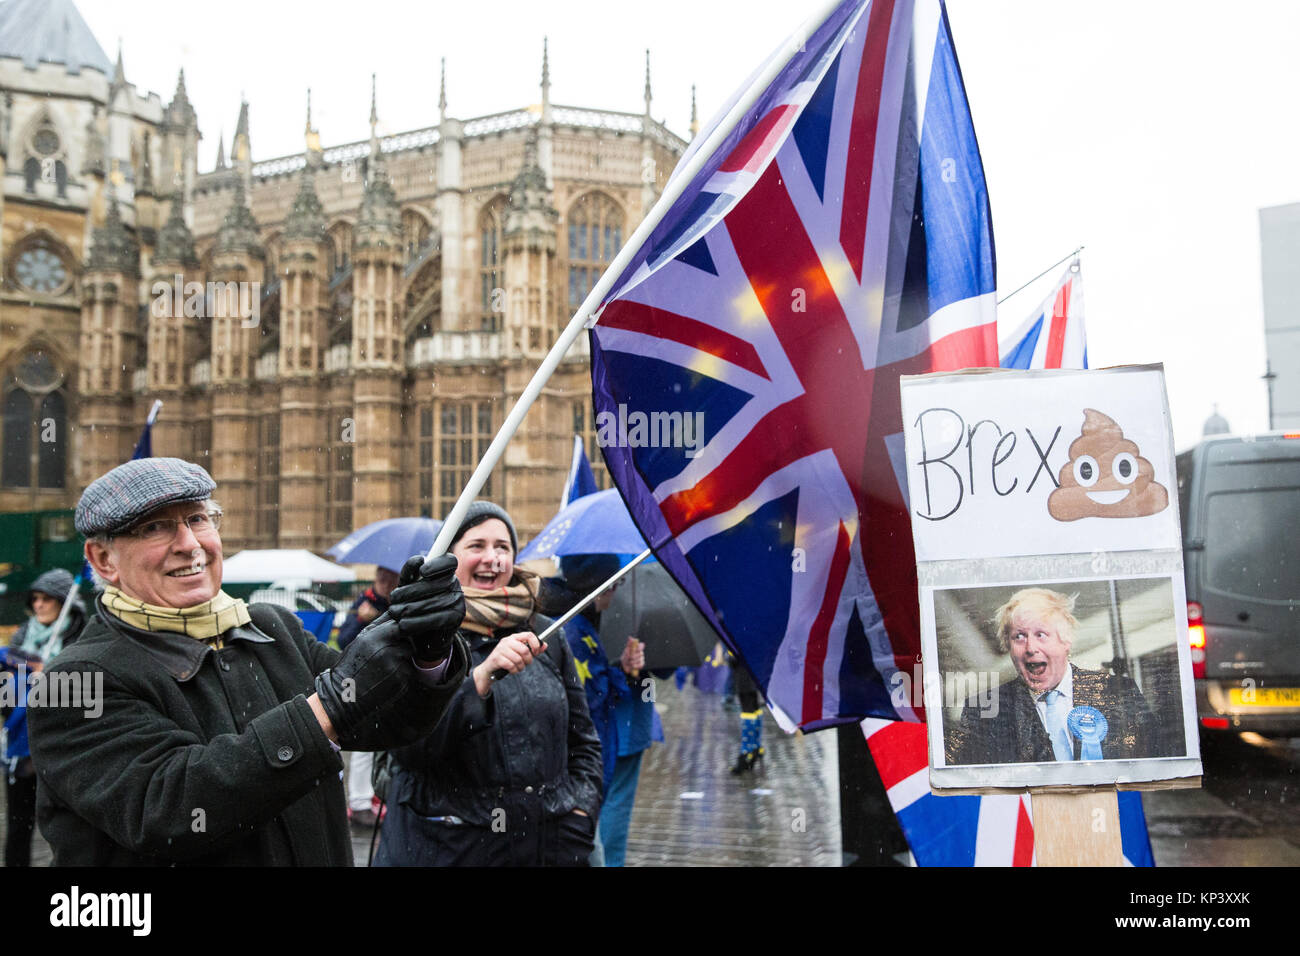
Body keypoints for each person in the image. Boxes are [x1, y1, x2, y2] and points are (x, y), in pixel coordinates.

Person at [27, 457, 468, 866]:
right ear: (103, 560)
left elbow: (388, 725)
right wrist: (328, 709)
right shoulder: (76, 681)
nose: (189, 544)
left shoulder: (270, 628)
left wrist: (426, 651)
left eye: (197, 519)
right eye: (154, 528)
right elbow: (170, 809)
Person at [374, 501, 603, 867]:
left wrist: (580, 813)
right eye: (476, 546)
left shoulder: (546, 632)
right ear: (448, 558)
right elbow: (409, 750)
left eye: (503, 547)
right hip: (448, 848)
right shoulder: (417, 633)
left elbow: (583, 740)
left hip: (544, 848)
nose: (492, 558)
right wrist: (478, 680)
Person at [946, 587, 1163, 766]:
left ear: (1065, 641)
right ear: (1009, 648)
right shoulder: (983, 710)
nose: (1031, 647)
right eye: (1019, 637)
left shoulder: (1118, 693)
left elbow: (1153, 764)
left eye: (1041, 634)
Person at [548, 555, 668, 867]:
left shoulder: (570, 617)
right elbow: (593, 691)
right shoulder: (577, 627)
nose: (617, 590)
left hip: (607, 734)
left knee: (603, 813)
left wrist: (625, 669)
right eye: (614, 583)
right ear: (600, 586)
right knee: (608, 816)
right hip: (606, 736)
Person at [2, 569, 87, 867]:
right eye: (35, 598)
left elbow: (91, 698)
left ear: (64, 602)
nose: (39, 605)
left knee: (73, 830)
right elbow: (6, 701)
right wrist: (16, 683)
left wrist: (52, 680)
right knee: (18, 826)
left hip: (69, 749)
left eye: (47, 598)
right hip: (22, 747)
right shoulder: (19, 642)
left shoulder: (83, 641)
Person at [335, 564, 401, 828]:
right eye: (381, 576)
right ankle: (360, 803)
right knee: (365, 745)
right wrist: (363, 619)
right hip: (366, 682)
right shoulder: (365, 601)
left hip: (392, 681)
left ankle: (376, 795)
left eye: (390, 576)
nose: (385, 581)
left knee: (387, 742)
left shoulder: (397, 602)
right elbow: (343, 642)